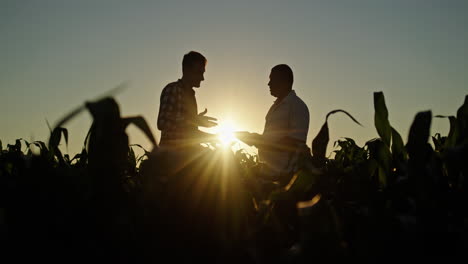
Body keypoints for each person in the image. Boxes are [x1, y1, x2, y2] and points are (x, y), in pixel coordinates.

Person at [236, 64, 310, 183]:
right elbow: (271, 138)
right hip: (266, 174)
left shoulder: (297, 106)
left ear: (284, 81)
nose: (269, 84)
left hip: (283, 177)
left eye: (272, 79)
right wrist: (253, 138)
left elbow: (294, 143)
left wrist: (256, 141)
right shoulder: (274, 107)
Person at [157, 51, 218, 150]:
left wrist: (214, 138)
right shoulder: (172, 89)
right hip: (170, 156)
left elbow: (190, 132)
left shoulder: (191, 97)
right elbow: (162, 122)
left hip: (187, 155)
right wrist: (195, 120)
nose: (202, 78)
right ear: (188, 70)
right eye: (200, 72)